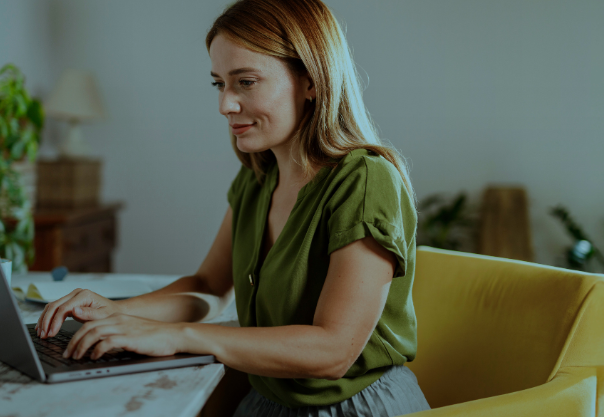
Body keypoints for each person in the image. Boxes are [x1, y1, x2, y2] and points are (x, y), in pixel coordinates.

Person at [36, 0, 432, 415]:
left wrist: (177, 336)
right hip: (267, 399)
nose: (225, 105)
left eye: (245, 82)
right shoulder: (257, 177)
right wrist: (115, 312)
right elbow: (208, 286)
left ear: (311, 81)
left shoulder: (365, 181)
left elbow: (333, 351)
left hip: (354, 407)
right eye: (219, 84)